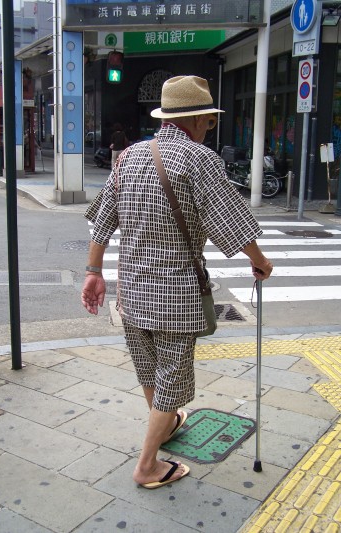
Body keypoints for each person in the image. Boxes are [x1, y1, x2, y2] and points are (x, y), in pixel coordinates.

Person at [81, 75, 273, 489]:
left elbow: (101, 222)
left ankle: (163, 428)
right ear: (200, 119)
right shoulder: (200, 159)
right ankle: (147, 464)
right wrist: (260, 262)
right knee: (172, 377)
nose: (209, 126)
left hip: (130, 290)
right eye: (209, 119)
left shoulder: (128, 157)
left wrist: (93, 272)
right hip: (176, 294)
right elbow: (233, 224)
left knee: (150, 370)